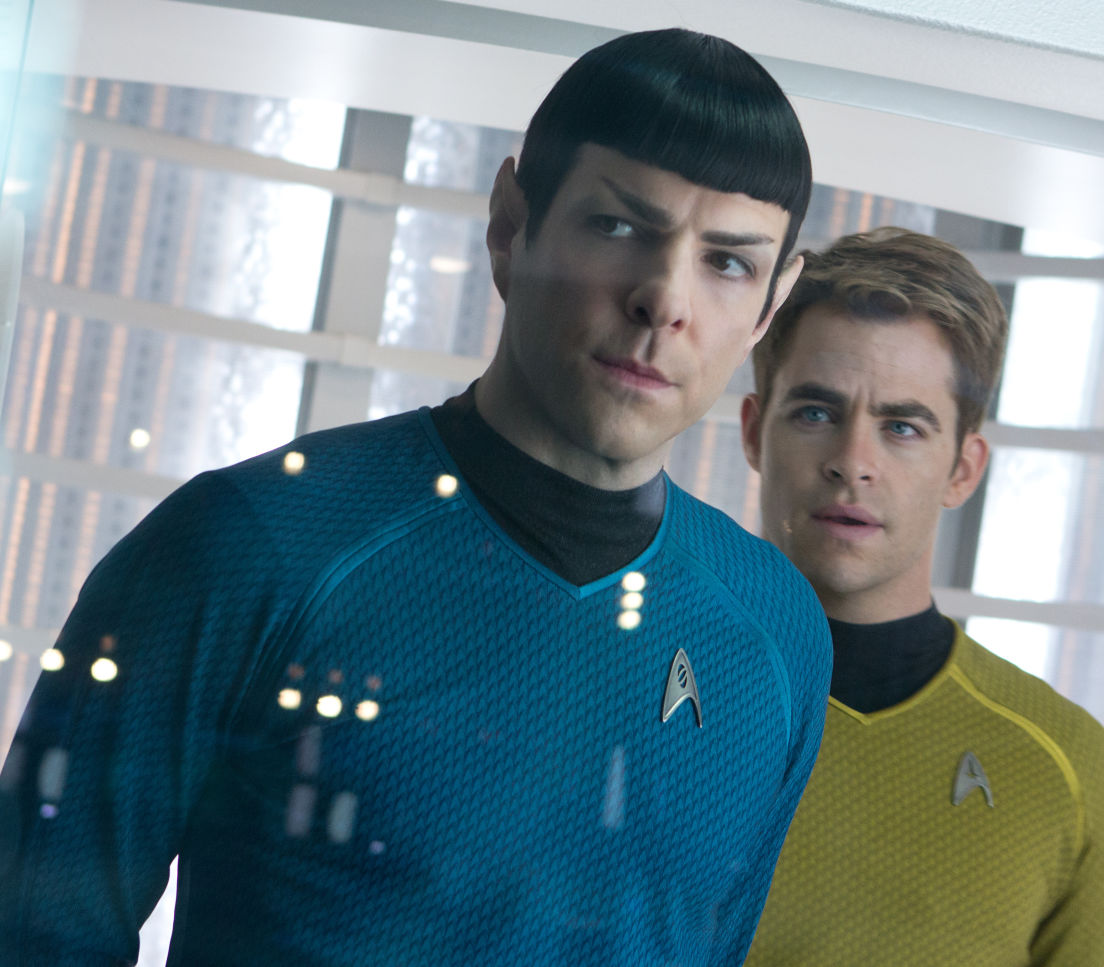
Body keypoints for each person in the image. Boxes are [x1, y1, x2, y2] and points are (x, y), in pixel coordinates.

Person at [0, 28, 832, 966]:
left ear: (771, 305)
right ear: (511, 226)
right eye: (618, 225)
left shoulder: (778, 631)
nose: (664, 299)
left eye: (728, 262)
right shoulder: (250, 544)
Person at [739, 227, 1104, 965]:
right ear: (756, 433)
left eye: (901, 427)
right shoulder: (638, 691)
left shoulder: (1063, 767)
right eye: (817, 413)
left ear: (963, 469)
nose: (853, 463)